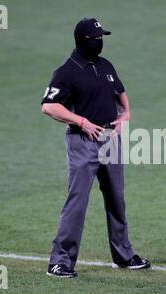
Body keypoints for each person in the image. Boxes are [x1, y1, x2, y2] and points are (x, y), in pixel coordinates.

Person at [41, 17, 150, 278]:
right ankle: (60, 262)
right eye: (95, 38)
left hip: (110, 140)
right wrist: (81, 121)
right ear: (82, 41)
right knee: (77, 202)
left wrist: (126, 114)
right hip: (83, 142)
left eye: (102, 38)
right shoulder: (67, 70)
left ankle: (123, 256)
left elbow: (120, 92)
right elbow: (49, 106)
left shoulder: (105, 66)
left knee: (116, 199)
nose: (100, 42)